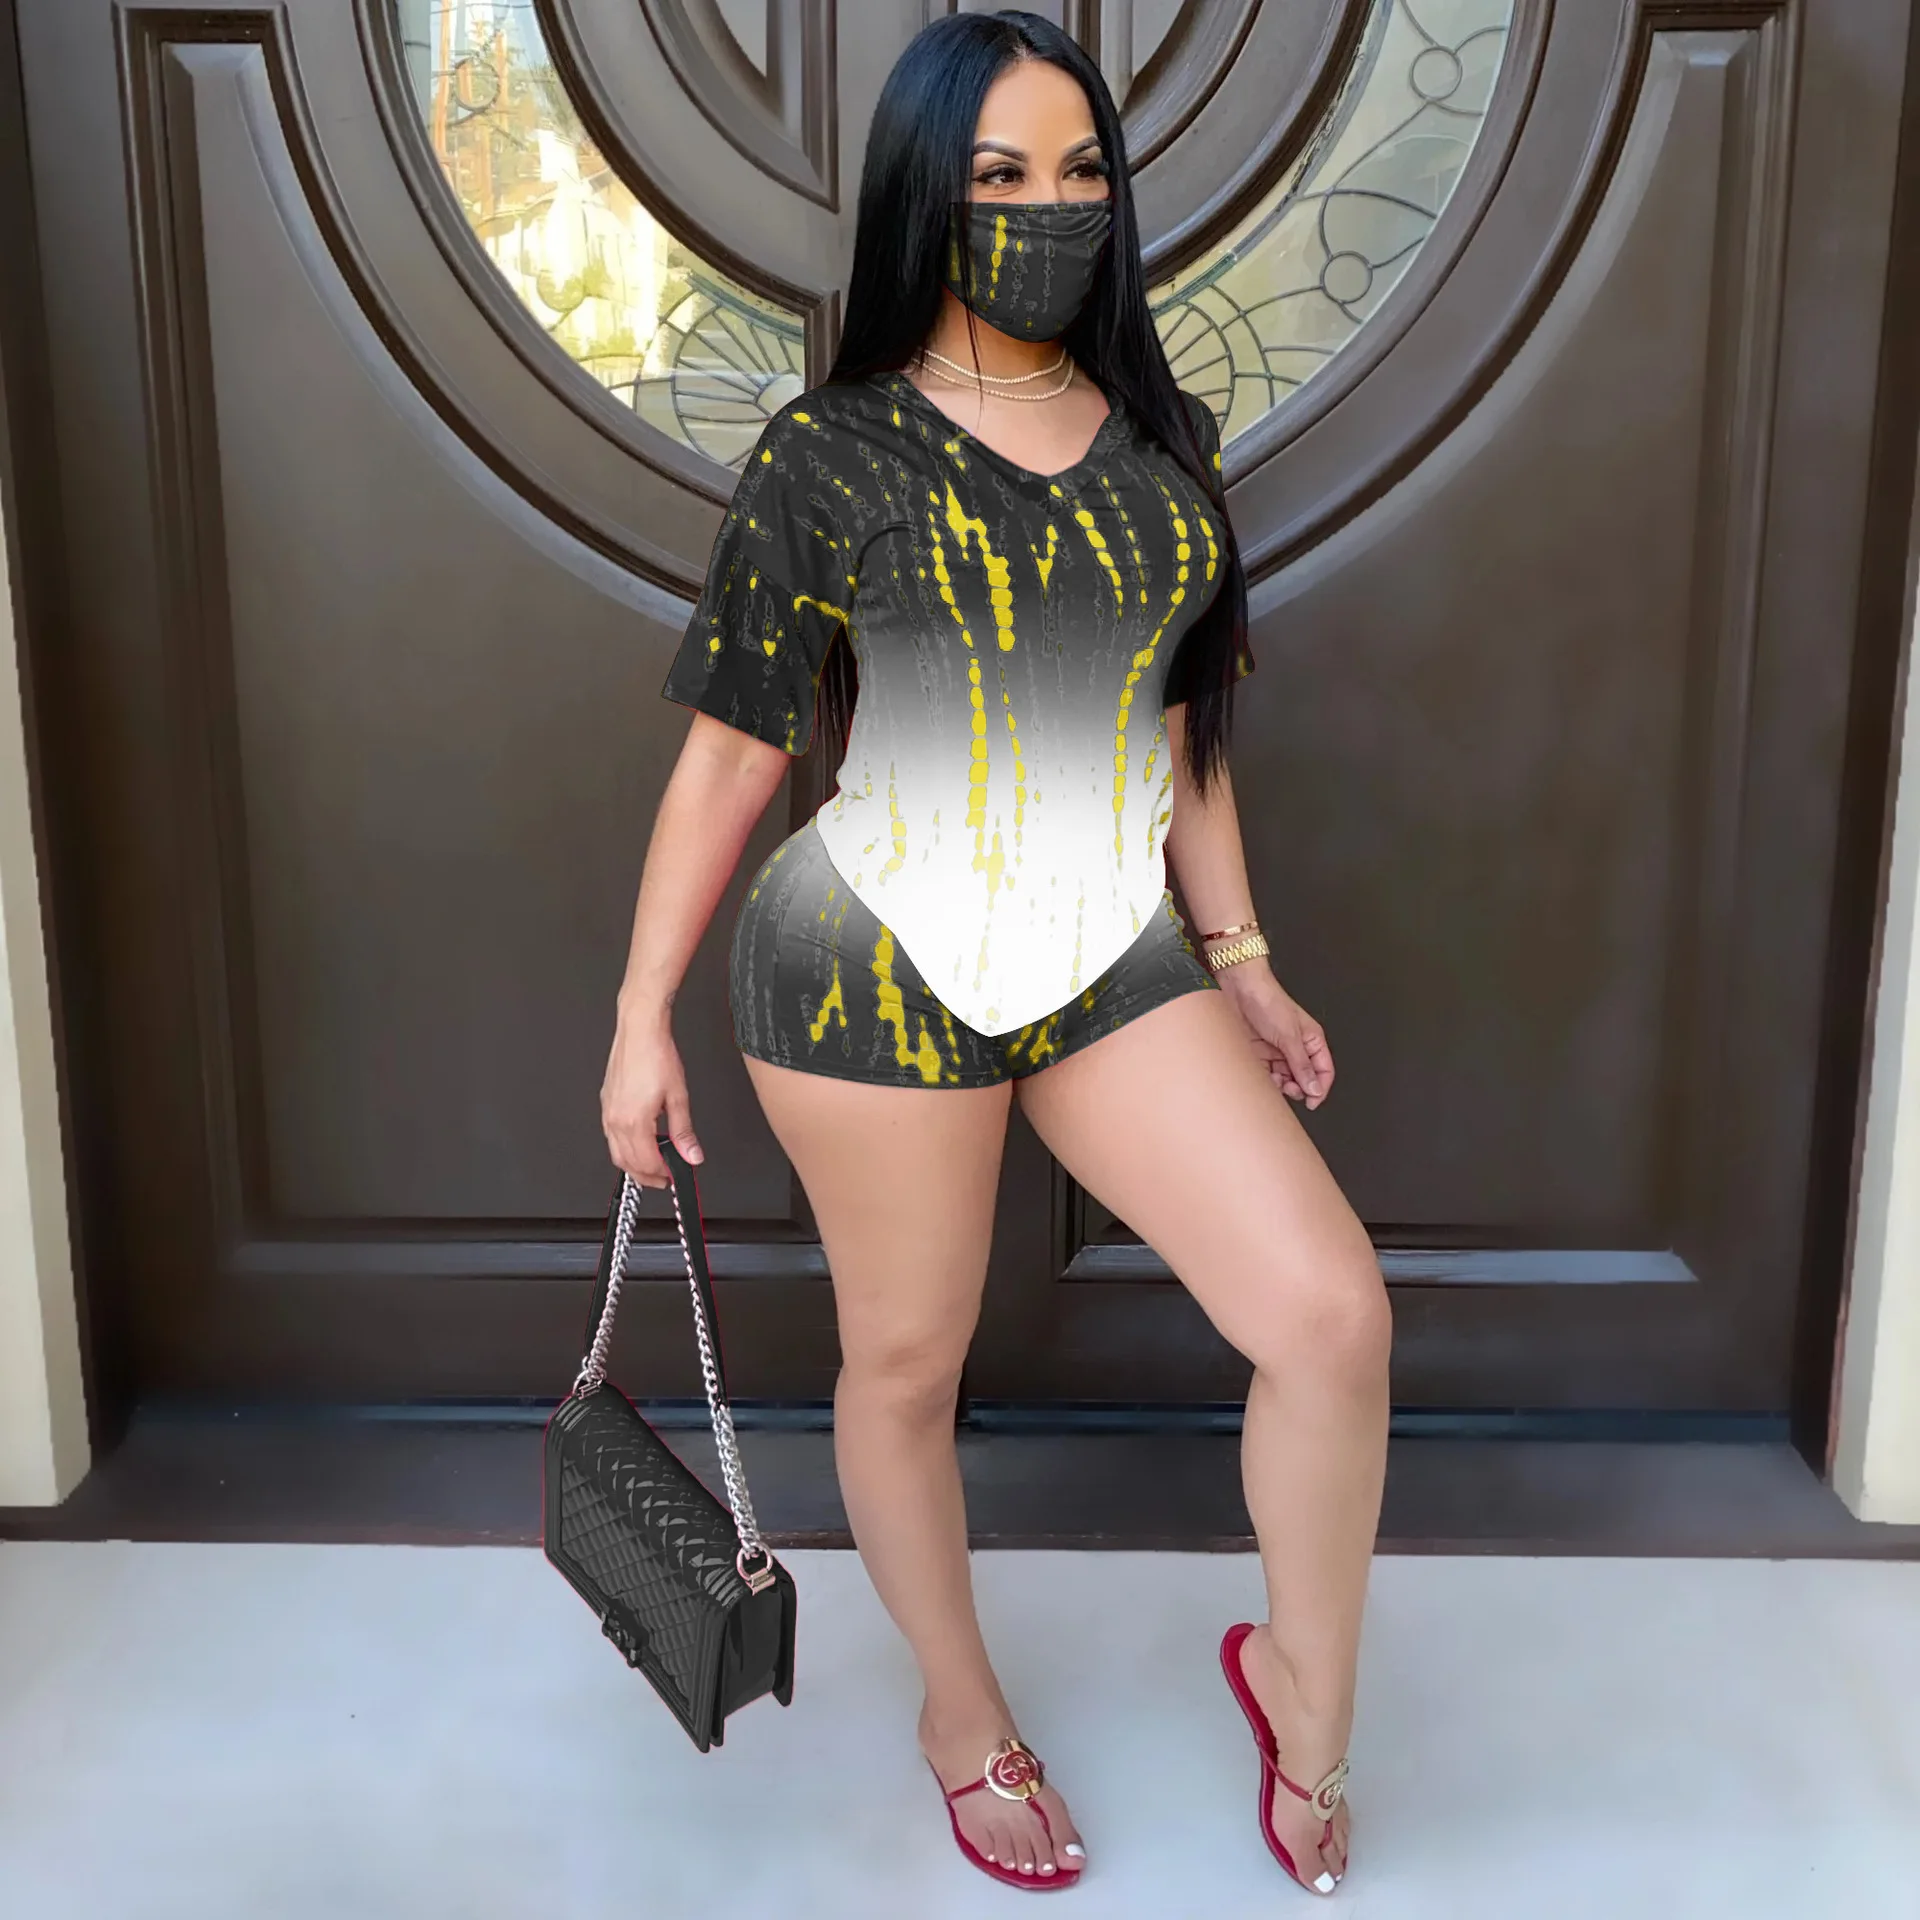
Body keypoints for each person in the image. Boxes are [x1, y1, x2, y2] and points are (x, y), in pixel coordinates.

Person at [600, 8, 1390, 1897]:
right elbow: (733, 755)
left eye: (1082, 169)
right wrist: (638, 1018)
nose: (1053, 207)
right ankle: (961, 1714)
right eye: (1001, 174)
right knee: (906, 1359)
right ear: (927, 201)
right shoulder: (830, 451)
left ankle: (1306, 1687)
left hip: (1109, 949)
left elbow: (1182, 735)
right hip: (864, 957)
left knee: (1330, 1319)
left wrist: (1243, 957)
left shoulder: (1163, 445)